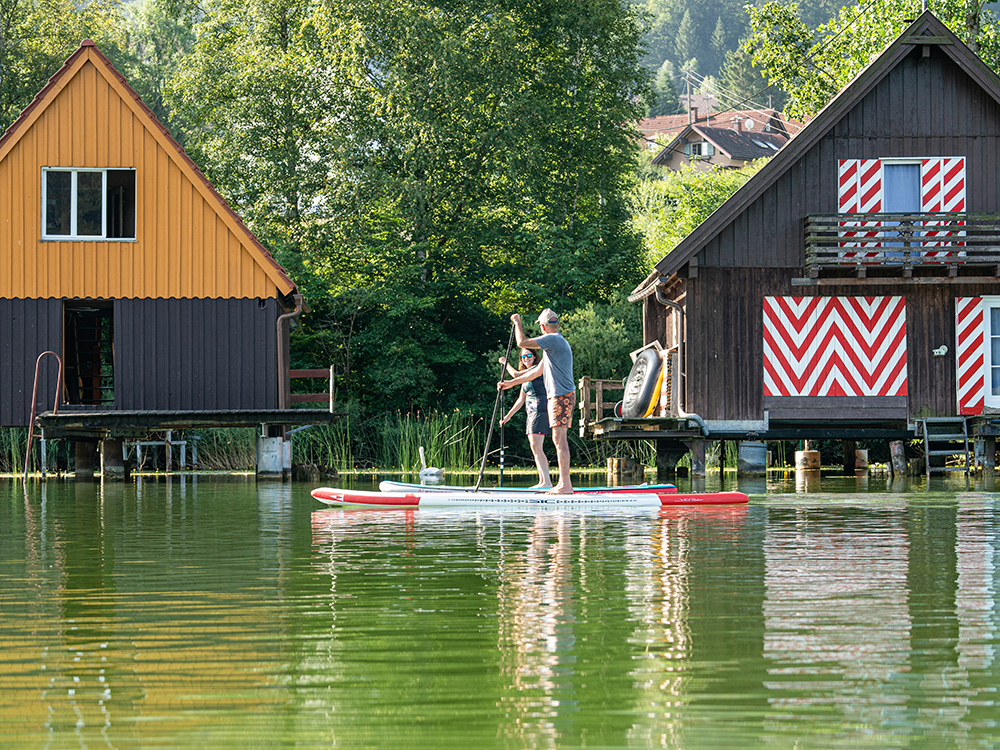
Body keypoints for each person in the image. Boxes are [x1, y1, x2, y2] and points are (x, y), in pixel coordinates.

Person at [498, 309, 574, 494]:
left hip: (561, 396)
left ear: (543, 326)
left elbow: (521, 342)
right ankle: (562, 484)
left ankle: (565, 485)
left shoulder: (553, 339)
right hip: (558, 396)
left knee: (559, 440)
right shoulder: (552, 348)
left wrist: (517, 322)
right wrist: (510, 383)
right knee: (558, 439)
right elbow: (535, 373)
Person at [498, 348, 552, 489]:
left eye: (528, 355)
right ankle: (542, 481)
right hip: (531, 412)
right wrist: (507, 417)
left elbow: (515, 374)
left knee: (537, 447)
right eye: (523, 357)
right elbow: (520, 400)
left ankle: (547, 482)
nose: (525, 359)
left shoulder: (536, 369)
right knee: (534, 448)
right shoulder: (526, 378)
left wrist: (505, 363)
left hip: (540, 409)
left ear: (534, 357)